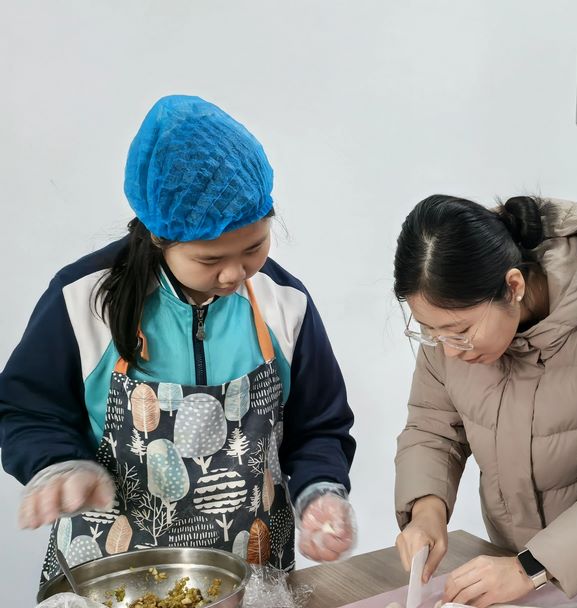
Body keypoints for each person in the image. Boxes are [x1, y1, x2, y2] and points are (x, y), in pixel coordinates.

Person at [0, 95, 356, 582]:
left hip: (251, 580)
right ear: (159, 236)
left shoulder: (284, 303)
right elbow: (26, 410)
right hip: (114, 584)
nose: (234, 274)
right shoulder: (85, 299)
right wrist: (59, 464)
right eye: (210, 259)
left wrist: (320, 490)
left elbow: (320, 425)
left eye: (254, 248)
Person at [391, 195, 577, 608]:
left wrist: (530, 567)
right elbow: (432, 427)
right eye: (429, 331)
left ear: (513, 287)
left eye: (459, 332)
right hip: (509, 550)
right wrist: (426, 510)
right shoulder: (449, 334)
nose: (449, 350)